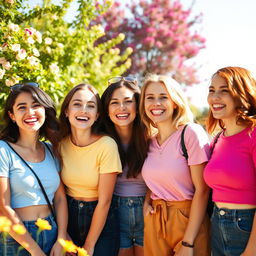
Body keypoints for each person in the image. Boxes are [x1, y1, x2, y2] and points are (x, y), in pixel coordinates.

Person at [139, 74, 211, 256]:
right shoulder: (148, 141)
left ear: (175, 102)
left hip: (188, 219)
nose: (156, 103)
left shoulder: (190, 133)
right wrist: (147, 200)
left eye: (163, 97)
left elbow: (202, 190)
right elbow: (159, 178)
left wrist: (188, 243)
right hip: (156, 219)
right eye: (150, 98)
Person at [0, 83, 68, 256]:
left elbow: (59, 198)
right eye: (22, 107)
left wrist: (61, 238)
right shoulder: (3, 150)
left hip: (51, 230)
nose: (30, 112)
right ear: (12, 115)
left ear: (45, 110)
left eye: (36, 105)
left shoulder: (51, 149)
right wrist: (35, 251)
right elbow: (3, 207)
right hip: (17, 237)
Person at [58, 83, 122, 256]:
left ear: (97, 115)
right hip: (68, 216)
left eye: (91, 106)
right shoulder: (59, 145)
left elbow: (105, 201)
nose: (84, 110)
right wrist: (63, 233)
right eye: (77, 104)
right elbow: (60, 195)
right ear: (66, 111)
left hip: (101, 218)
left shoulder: (106, 145)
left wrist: (89, 244)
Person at [204, 66, 256, 256]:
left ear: (241, 93)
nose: (214, 97)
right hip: (217, 223)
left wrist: (252, 249)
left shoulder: (254, 135)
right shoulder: (217, 139)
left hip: (246, 228)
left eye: (223, 91)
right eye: (211, 90)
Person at [100, 77, 148, 256]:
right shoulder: (100, 141)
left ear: (138, 105)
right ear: (106, 109)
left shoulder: (152, 138)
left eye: (128, 101)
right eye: (114, 103)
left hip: (148, 212)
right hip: (114, 213)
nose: (122, 108)